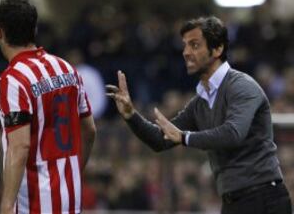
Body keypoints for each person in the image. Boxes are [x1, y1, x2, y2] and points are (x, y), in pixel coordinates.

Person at [107, 16, 292, 214]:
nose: (186, 52)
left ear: (218, 49)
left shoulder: (242, 86)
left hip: (264, 200)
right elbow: (160, 140)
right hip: (233, 202)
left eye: (195, 45)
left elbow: (233, 133)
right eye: (185, 46)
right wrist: (130, 115)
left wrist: (186, 137)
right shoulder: (200, 103)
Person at [0, 0, 96, 214]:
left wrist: (7, 205)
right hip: (70, 199)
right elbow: (90, 130)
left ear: (0, 33)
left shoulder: (13, 80)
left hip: (35, 203)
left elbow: (20, 147)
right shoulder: (67, 69)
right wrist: (73, 173)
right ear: (35, 29)